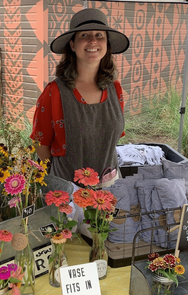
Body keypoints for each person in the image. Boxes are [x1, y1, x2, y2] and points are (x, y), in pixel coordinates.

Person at [30, 7, 130, 188]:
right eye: (84, 35)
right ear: (73, 44)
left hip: (110, 187)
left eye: (99, 35)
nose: (93, 40)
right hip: (69, 192)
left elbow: (111, 138)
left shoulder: (115, 89)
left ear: (107, 44)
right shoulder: (54, 92)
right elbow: (41, 145)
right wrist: (59, 183)